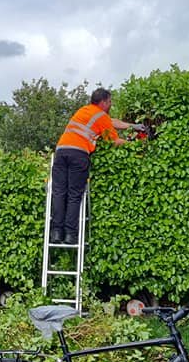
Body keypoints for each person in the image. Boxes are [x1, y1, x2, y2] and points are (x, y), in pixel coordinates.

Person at [49, 87, 139, 245]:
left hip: (61, 151)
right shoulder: (101, 116)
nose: (111, 104)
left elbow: (112, 122)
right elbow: (115, 141)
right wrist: (135, 144)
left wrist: (132, 126)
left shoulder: (84, 111)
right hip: (78, 155)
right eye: (110, 102)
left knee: (59, 192)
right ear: (104, 102)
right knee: (74, 195)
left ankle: (56, 233)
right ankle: (70, 235)